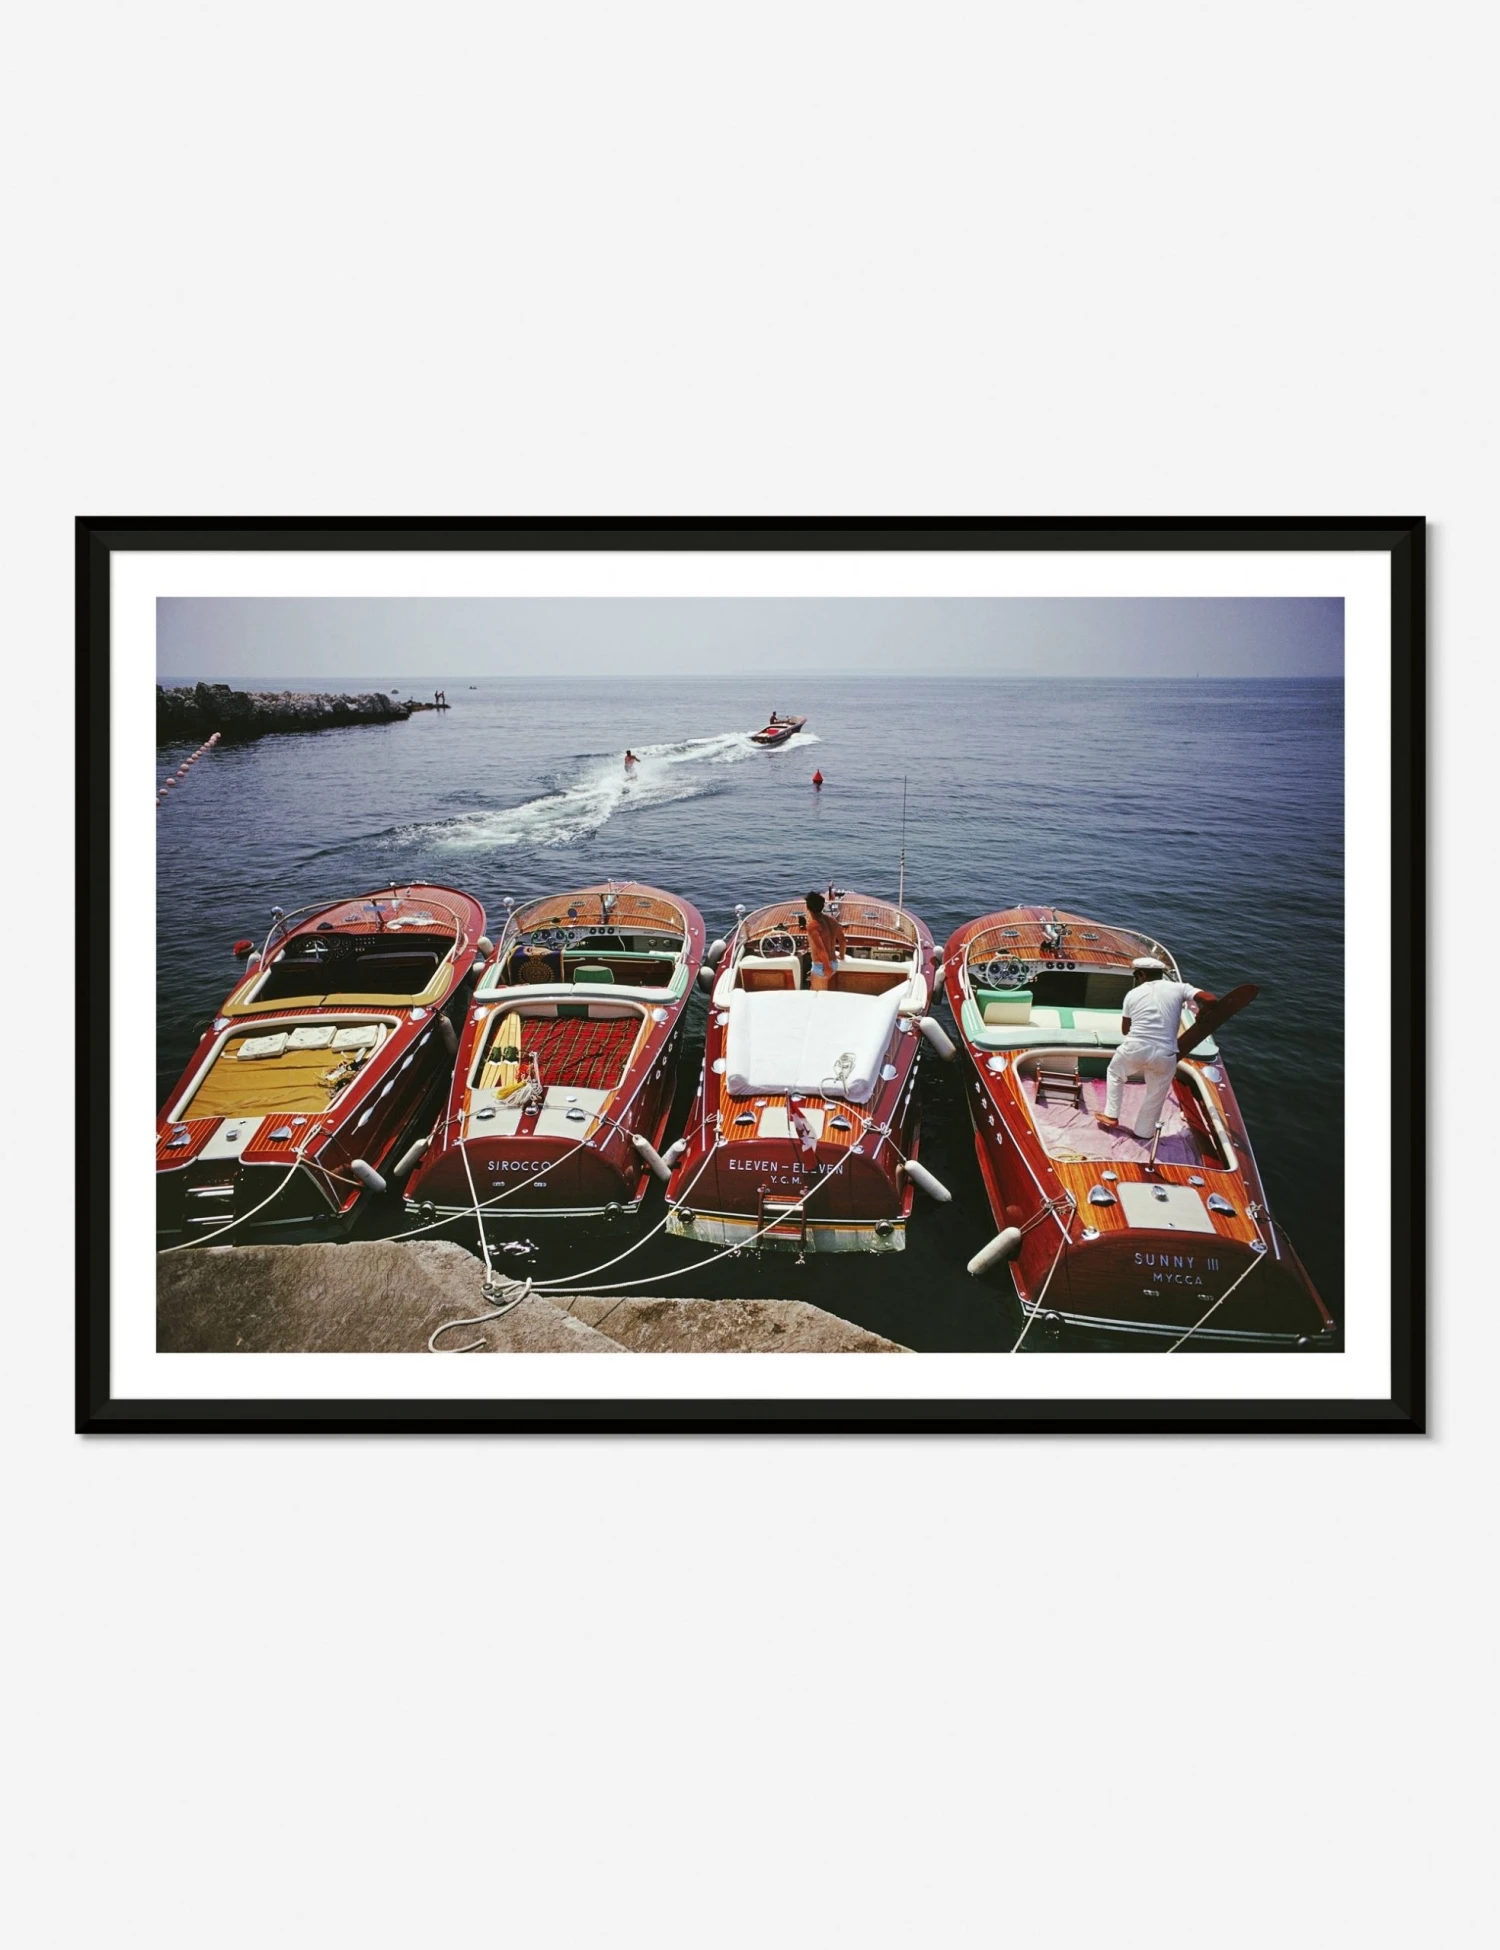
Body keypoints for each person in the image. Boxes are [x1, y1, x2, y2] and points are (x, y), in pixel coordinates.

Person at [1097, 957, 1217, 1139]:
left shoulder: (1132, 994)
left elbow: (1125, 1030)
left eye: (1136, 974)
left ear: (1142, 974)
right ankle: (1144, 1132)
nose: (1136, 977)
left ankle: (1111, 1115)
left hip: (1136, 1048)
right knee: (1156, 1094)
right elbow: (1210, 999)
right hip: (1166, 1054)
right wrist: (1202, 1014)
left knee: (1115, 1073)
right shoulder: (1180, 987)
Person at [804, 889, 847, 992]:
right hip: (834, 963)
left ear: (808, 907)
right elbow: (842, 940)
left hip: (822, 967)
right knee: (813, 989)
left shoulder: (812, 926)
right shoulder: (832, 920)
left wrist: (827, 967)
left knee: (817, 995)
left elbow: (821, 950)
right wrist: (841, 955)